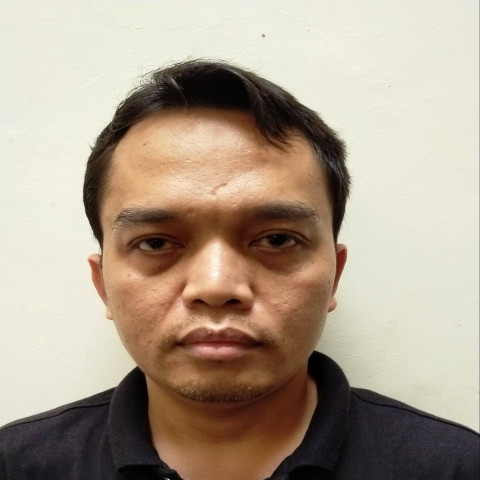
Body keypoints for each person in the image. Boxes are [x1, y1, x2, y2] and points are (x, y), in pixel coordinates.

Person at [0, 59, 478, 480]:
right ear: (102, 283)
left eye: (276, 239)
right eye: (157, 243)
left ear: (334, 273)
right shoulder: (17, 464)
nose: (216, 287)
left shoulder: (455, 468)